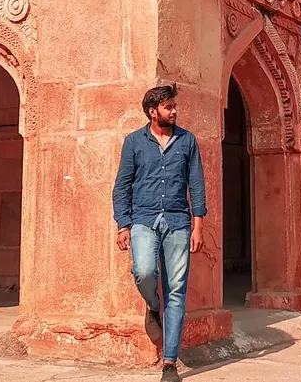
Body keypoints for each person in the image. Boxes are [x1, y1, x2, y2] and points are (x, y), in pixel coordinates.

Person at [112, 84, 206, 382]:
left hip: (179, 221)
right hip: (143, 219)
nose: (174, 111)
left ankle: (169, 363)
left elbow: (197, 184)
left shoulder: (187, 140)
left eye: (174, 106)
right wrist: (122, 224)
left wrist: (198, 225)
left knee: (176, 291)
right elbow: (122, 185)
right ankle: (153, 305)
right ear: (153, 112)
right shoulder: (134, 142)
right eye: (168, 107)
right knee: (144, 271)